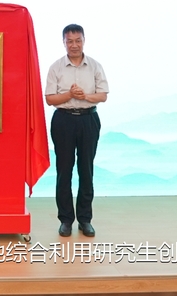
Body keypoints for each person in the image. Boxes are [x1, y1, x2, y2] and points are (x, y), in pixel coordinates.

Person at [45, 24, 109, 237]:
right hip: (63, 120)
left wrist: (85, 97)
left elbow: (103, 95)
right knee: (64, 170)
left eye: (78, 40)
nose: (74, 45)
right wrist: (70, 95)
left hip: (88, 119)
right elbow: (50, 99)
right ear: (64, 43)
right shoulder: (56, 67)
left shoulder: (94, 66)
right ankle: (65, 220)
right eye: (69, 41)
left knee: (86, 170)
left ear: (84, 40)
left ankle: (85, 219)